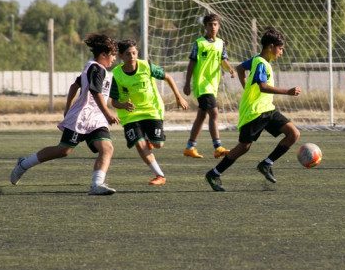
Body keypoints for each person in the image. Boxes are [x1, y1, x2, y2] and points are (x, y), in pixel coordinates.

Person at [10, 34, 120, 195]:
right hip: (82, 118)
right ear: (103, 55)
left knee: (107, 148)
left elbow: (74, 87)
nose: (114, 59)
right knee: (63, 150)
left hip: (96, 120)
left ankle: (96, 184)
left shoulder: (94, 68)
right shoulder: (96, 69)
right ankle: (24, 164)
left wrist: (68, 108)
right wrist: (108, 113)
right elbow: (95, 93)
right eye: (113, 55)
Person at [204, 26, 301, 192]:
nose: (281, 52)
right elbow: (263, 87)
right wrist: (288, 91)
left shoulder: (258, 60)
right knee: (244, 147)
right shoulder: (261, 63)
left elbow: (241, 68)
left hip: (267, 109)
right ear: (270, 46)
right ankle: (214, 173)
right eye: (280, 49)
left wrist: (246, 87)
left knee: (293, 134)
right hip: (255, 112)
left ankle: (266, 164)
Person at [110, 39, 188, 185]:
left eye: (134, 53)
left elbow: (167, 77)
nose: (132, 56)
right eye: (128, 54)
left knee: (158, 144)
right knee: (139, 144)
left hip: (151, 110)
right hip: (130, 115)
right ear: (121, 56)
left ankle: (148, 138)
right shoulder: (117, 75)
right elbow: (113, 102)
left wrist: (178, 97)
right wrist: (123, 105)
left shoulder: (147, 66)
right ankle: (160, 175)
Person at [183, 13, 236, 159]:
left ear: (218, 26)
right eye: (210, 24)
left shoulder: (221, 43)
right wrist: (187, 83)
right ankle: (217, 147)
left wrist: (230, 69)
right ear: (205, 27)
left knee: (201, 116)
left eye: (215, 24)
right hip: (202, 85)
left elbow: (223, 60)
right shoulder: (199, 43)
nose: (213, 27)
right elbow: (191, 63)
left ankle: (189, 147)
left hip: (212, 86)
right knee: (214, 113)